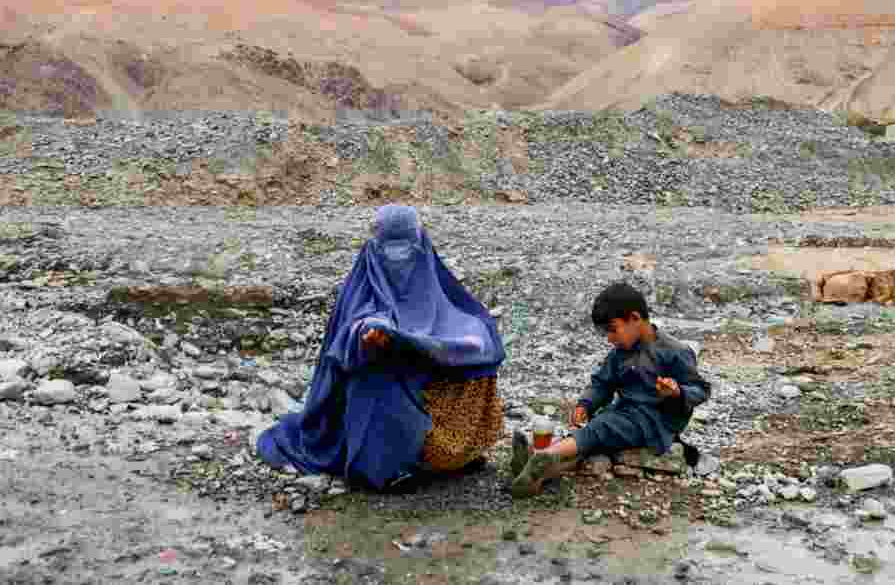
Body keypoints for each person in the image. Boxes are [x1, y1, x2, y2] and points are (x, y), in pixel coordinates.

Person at [255, 204, 506, 491]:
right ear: (375, 247)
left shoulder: (432, 278)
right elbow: (356, 324)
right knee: (375, 375)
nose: (400, 262)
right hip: (379, 381)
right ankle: (384, 467)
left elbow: (461, 318)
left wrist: (456, 344)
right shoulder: (364, 283)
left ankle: (457, 454)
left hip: (427, 378)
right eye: (390, 250)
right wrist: (371, 334)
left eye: (408, 249)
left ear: (421, 242)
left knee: (480, 359)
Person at [510, 282, 710, 498]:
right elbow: (602, 383)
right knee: (592, 437)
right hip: (624, 414)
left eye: (613, 330)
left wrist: (677, 392)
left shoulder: (675, 351)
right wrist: (585, 404)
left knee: (601, 428)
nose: (610, 338)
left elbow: (700, 388)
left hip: (654, 424)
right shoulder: (620, 353)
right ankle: (536, 474)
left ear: (635, 318)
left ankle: (545, 454)